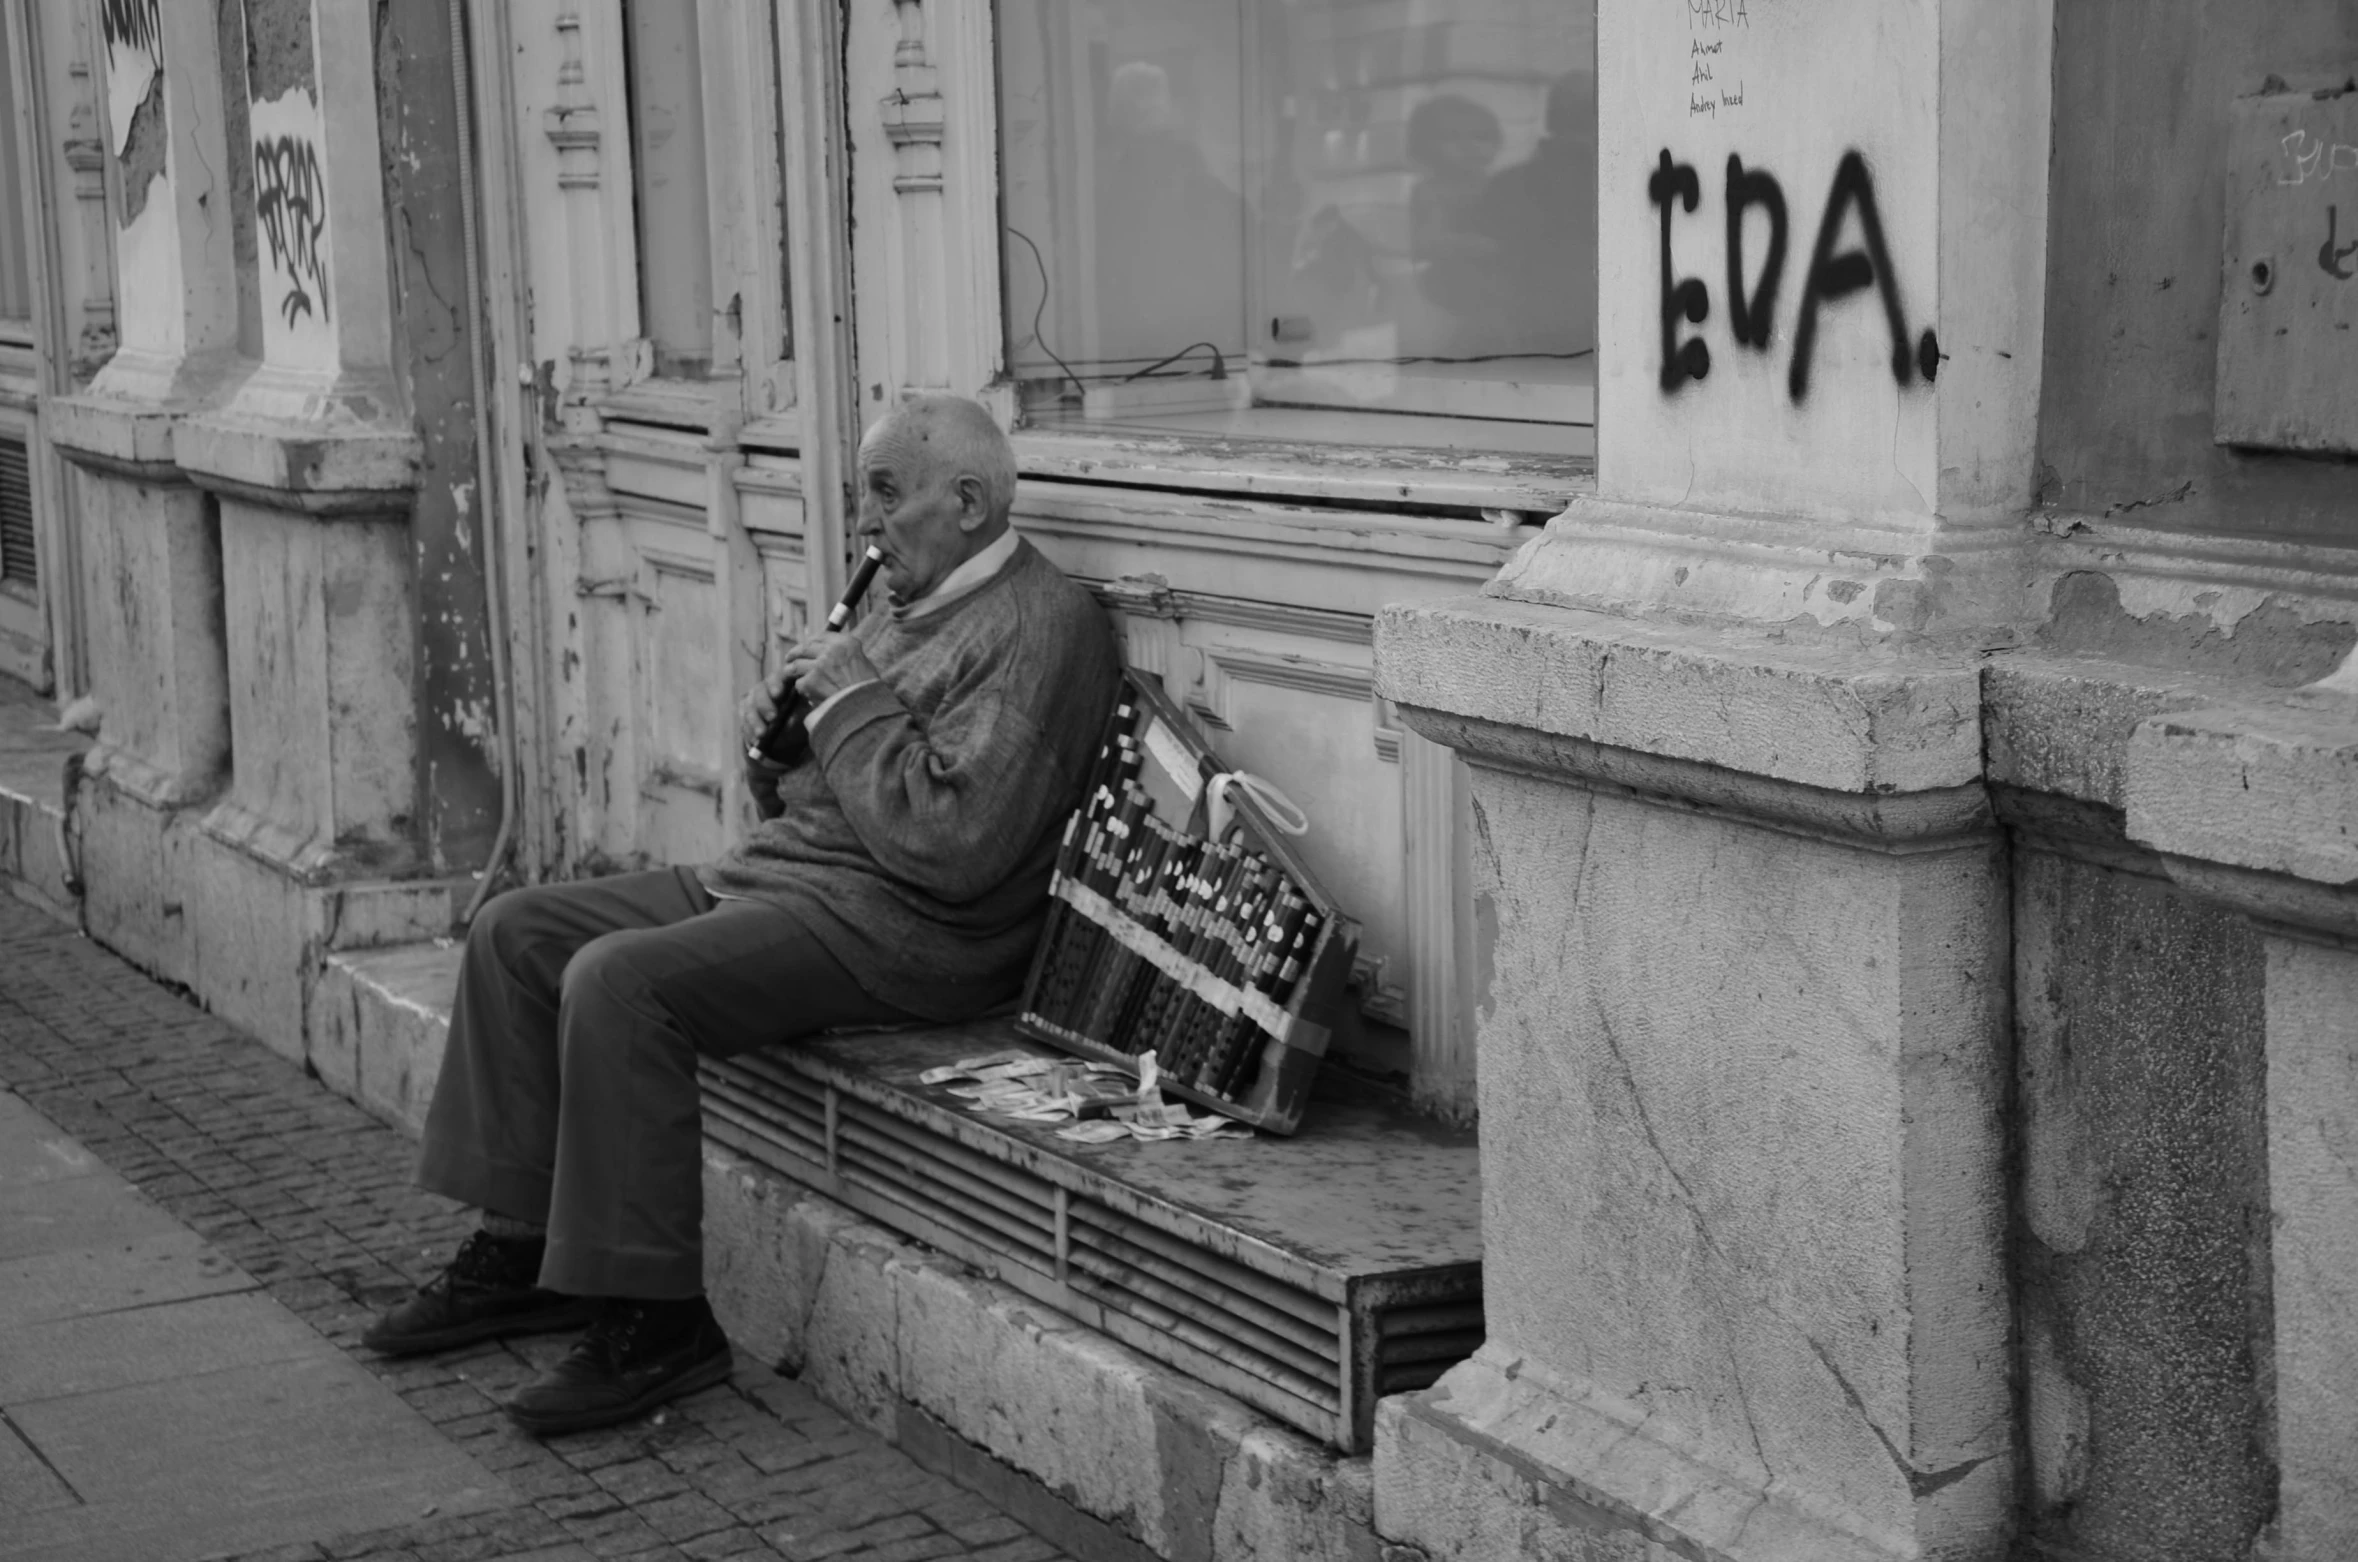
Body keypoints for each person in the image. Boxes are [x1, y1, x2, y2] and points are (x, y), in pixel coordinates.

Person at [361, 394, 1122, 1436]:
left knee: (619, 983)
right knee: (517, 932)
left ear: (973, 502)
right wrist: (783, 749)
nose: (867, 522)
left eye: (888, 495)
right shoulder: (908, 597)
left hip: (909, 933)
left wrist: (848, 697)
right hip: (795, 880)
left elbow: (956, 847)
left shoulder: (1042, 628)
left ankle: (659, 1317)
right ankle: (529, 1246)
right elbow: (824, 794)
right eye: (866, 494)